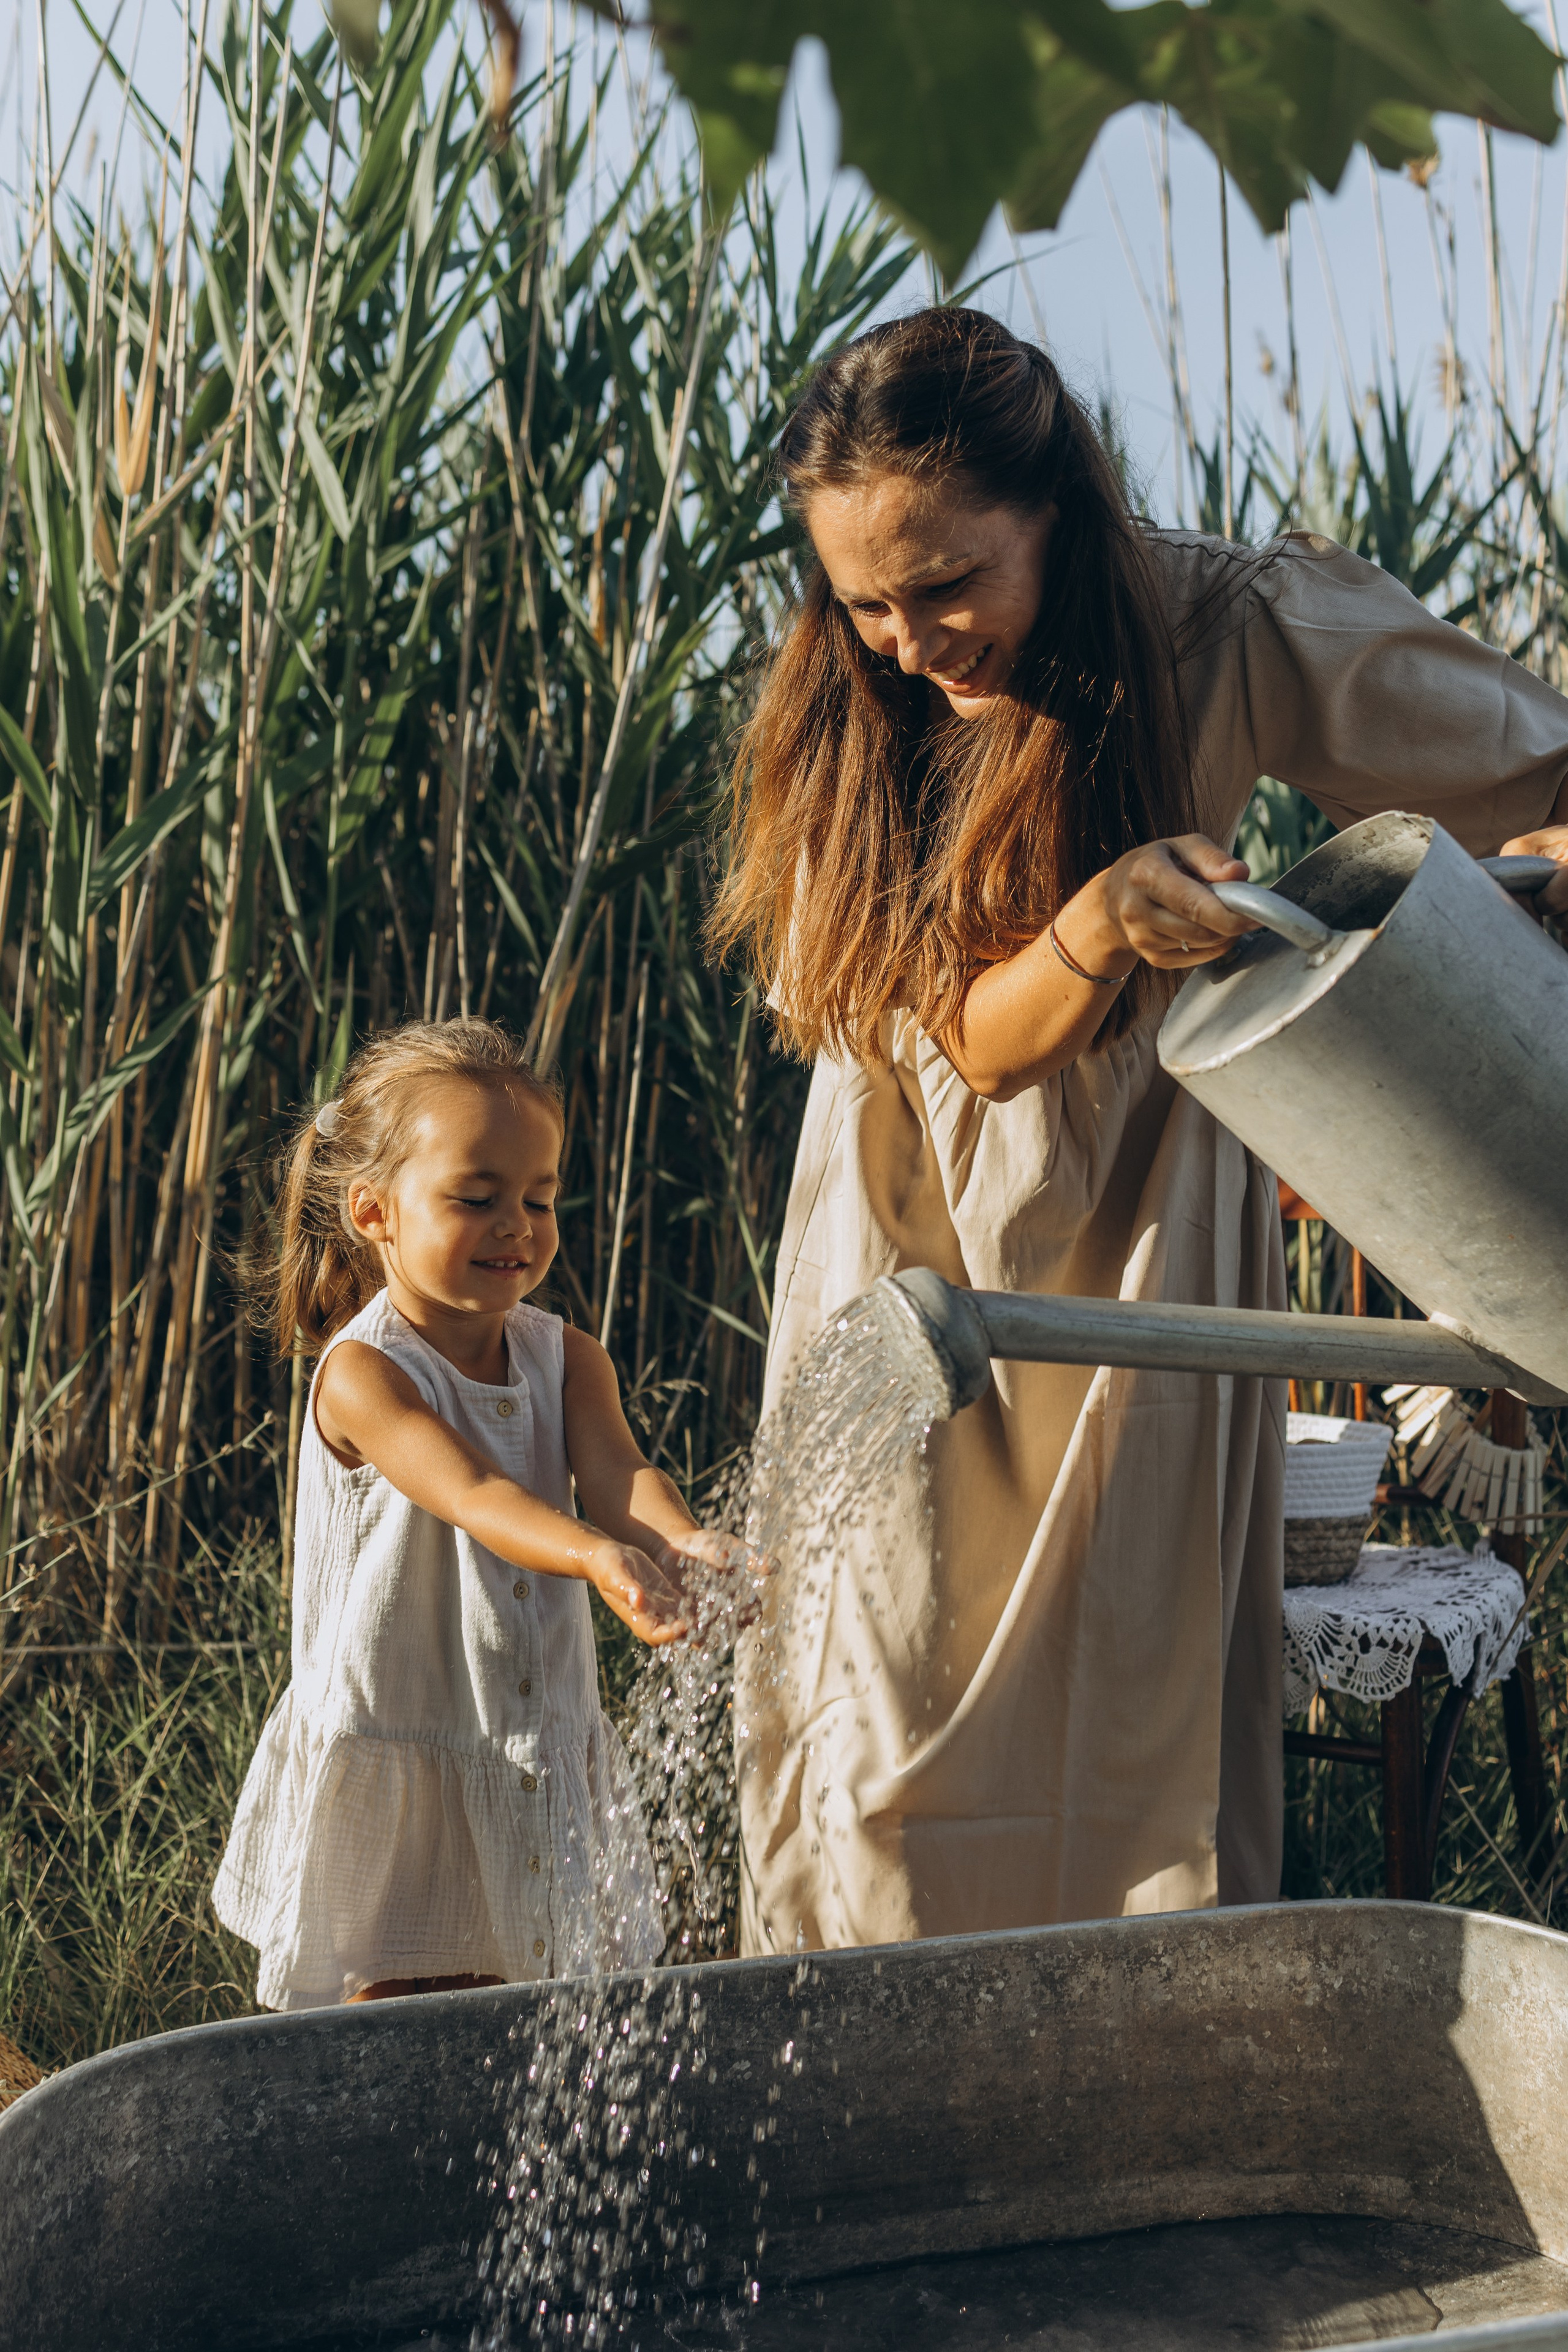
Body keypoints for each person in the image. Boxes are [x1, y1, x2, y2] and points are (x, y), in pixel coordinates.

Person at [711, 306, 1568, 1956]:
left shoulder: (1229, 627)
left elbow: (1531, 764)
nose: (907, 634)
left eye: (947, 582)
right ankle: (882, 2132)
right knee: (883, 1708)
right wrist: (1100, 927)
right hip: (908, 1246)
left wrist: (1519, 886)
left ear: (1062, 515)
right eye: (864, 599)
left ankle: (1139, 2137)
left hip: (1150, 1235)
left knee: (1141, 1720)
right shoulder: (854, 711)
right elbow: (977, 1038)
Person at [214, 1019, 732, 2008]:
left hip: (526, 1734)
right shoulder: (365, 1374)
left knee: (525, 1995)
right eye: (476, 1198)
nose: (518, 1226)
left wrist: (681, 1542)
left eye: (539, 1199)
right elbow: (471, 1493)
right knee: (389, 2001)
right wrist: (596, 1560)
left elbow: (622, 1476)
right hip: (405, 1731)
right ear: (375, 1211)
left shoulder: (568, 1356)